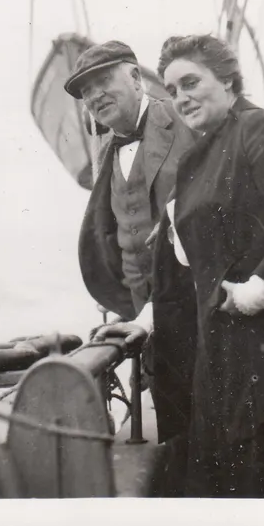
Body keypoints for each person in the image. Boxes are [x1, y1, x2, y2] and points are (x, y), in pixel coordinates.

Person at [96, 34, 264, 498]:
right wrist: (145, 322)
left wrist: (257, 291)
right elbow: (189, 265)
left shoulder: (263, 128)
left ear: (227, 80)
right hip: (228, 354)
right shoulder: (199, 156)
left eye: (191, 82)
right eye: (172, 89)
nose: (181, 97)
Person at [64, 40, 196, 323]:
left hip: (199, 308)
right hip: (142, 315)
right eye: (86, 91)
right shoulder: (106, 152)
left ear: (136, 78)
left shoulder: (187, 118)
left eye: (103, 81)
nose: (95, 95)